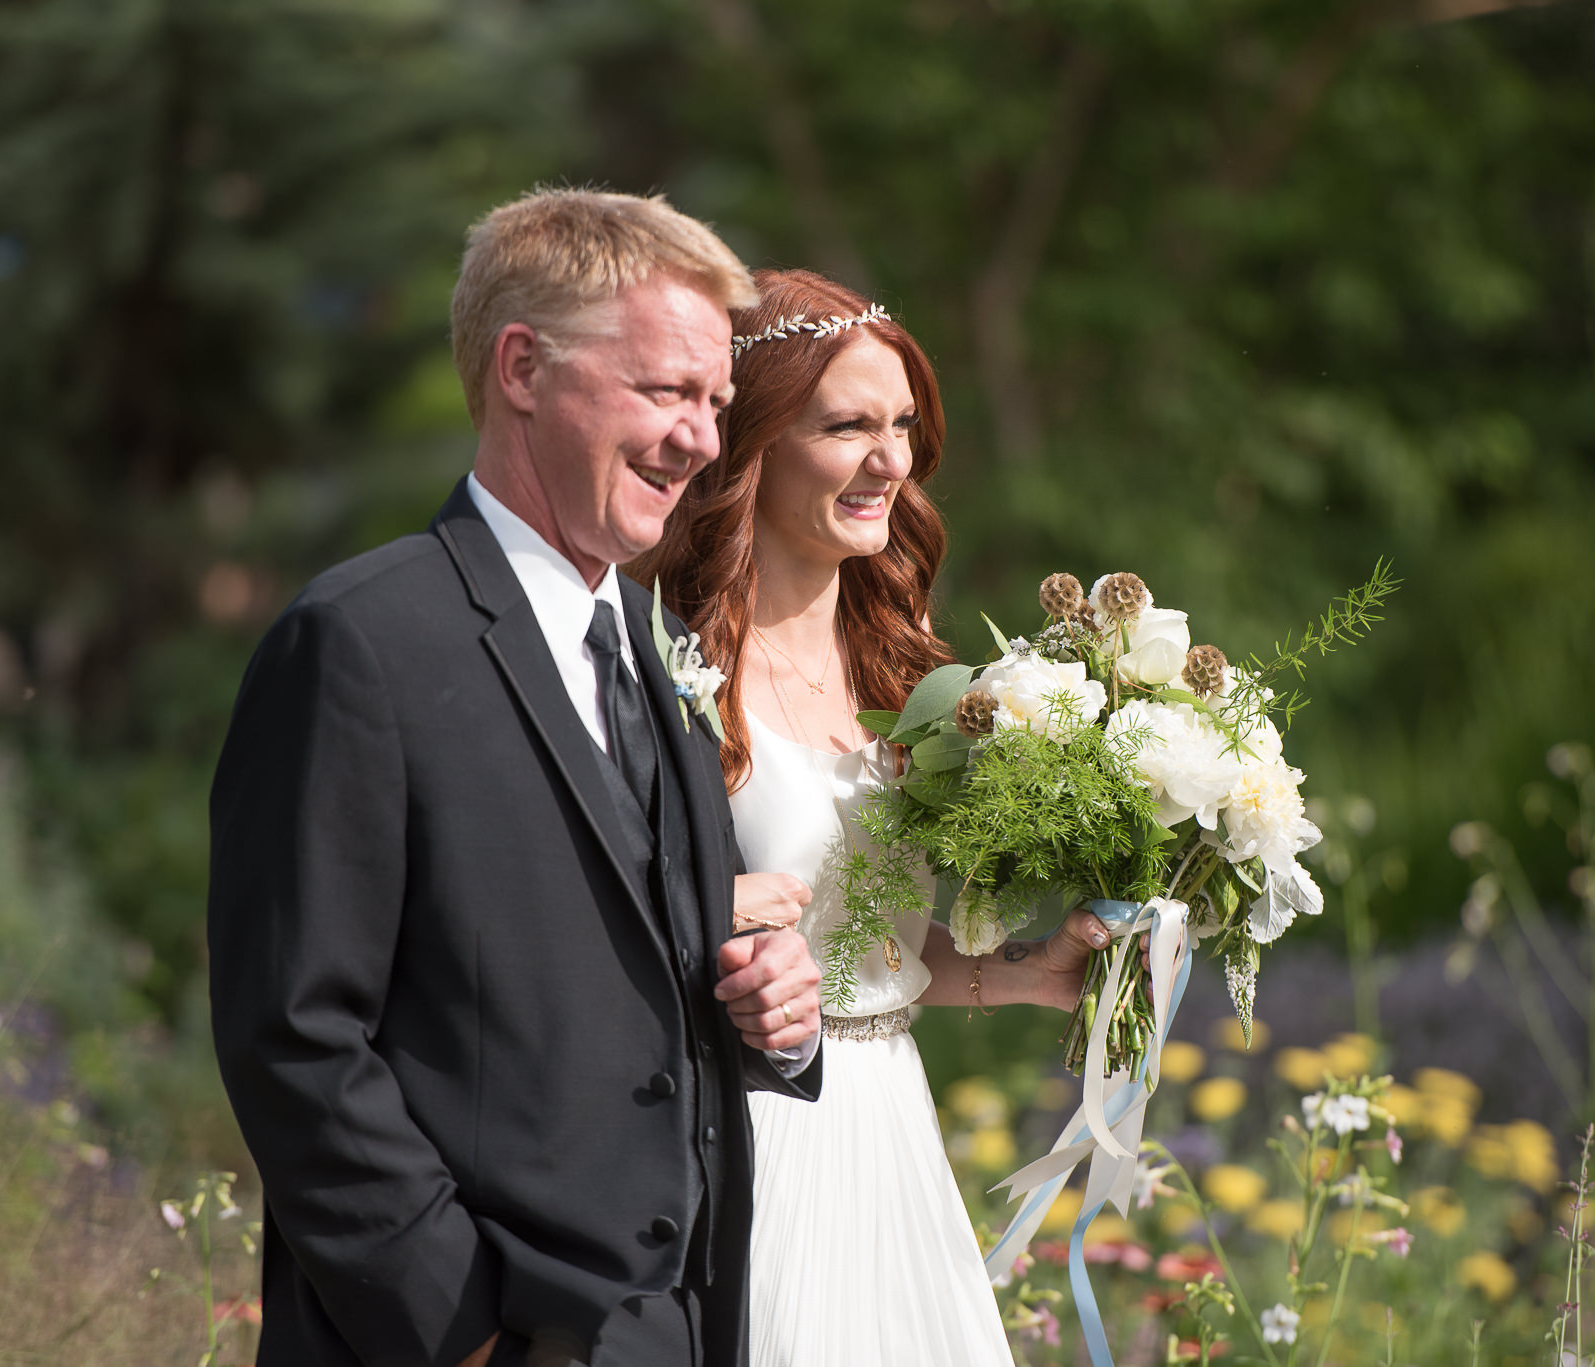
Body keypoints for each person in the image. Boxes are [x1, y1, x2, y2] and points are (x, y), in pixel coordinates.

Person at [206, 189, 826, 1367]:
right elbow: (294, 1034)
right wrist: (467, 1329)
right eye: (664, 391)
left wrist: (772, 1011)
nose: (700, 438)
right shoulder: (359, 641)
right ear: (523, 368)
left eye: (712, 402)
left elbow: (639, 973)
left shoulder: (658, 648)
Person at [632, 269, 1111, 1367]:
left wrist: (1031, 970)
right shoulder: (662, 668)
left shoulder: (905, 671)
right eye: (848, 424)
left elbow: (871, 949)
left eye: (900, 424)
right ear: (748, 442)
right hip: (746, 1138)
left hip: (890, 1126)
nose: (890, 459)